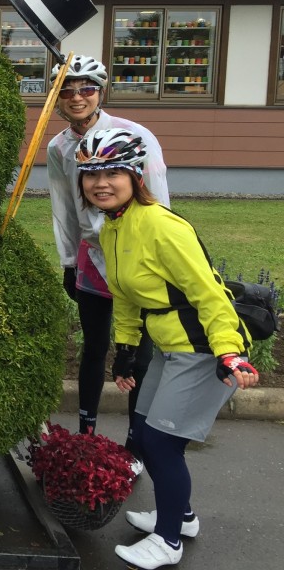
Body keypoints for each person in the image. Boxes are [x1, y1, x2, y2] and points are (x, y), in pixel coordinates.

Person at [75, 127, 258, 570]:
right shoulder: (114, 228)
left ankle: (169, 540)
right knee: (142, 430)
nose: (101, 182)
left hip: (202, 349)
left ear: (136, 176)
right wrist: (125, 350)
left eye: (113, 171)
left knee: (158, 444)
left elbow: (210, 294)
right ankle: (184, 515)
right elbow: (127, 297)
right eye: (91, 173)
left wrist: (229, 352)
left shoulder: (161, 226)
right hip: (168, 348)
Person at [46, 56, 169, 452]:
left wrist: (160, 259)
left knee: (139, 358)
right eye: (66, 90)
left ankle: (135, 443)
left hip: (139, 258)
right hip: (94, 258)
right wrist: (68, 262)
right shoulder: (59, 146)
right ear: (57, 97)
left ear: (101, 92)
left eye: (86, 88)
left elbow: (158, 200)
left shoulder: (135, 134)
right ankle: (85, 436)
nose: (76, 97)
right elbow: (63, 206)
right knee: (95, 346)